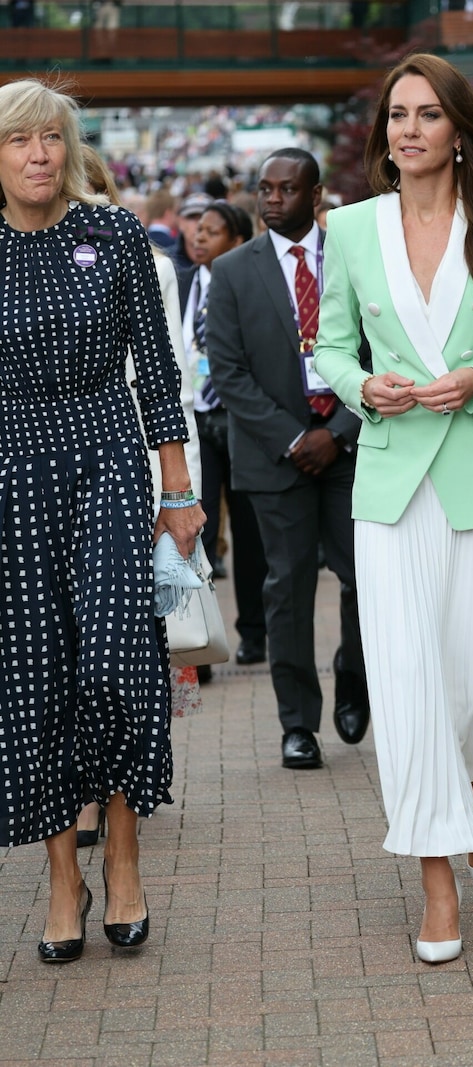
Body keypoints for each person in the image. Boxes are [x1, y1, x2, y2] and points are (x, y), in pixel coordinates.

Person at [313, 54, 473, 964]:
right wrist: (360, 386)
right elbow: (331, 347)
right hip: (389, 488)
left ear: (459, 128)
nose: (408, 129)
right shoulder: (347, 230)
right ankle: (434, 884)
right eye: (396, 115)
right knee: (412, 689)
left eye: (426, 114)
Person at [0, 78, 204, 962]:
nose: (38, 154)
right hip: (12, 469)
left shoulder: (114, 233)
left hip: (107, 455)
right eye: (18, 140)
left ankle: (121, 847)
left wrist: (180, 487)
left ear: (72, 149)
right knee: (36, 671)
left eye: (52, 138)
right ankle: (62, 875)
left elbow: (154, 371)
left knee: (118, 657)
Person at [205, 148, 370, 770]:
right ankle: (297, 723)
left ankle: (355, 682)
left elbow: (383, 352)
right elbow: (228, 371)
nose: (272, 199)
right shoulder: (232, 272)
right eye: (263, 189)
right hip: (276, 459)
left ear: (316, 194)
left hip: (352, 446)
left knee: (364, 579)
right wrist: (294, 438)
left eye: (286, 189)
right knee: (289, 587)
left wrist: (340, 430)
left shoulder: (354, 260)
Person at [178, 200, 268, 677]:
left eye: (212, 232)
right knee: (200, 529)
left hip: (240, 421)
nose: (199, 238)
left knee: (249, 530)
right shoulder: (181, 280)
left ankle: (254, 631)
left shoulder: (247, 281)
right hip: (197, 422)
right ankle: (200, 643)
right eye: (197, 230)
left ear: (235, 241)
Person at [173, 191, 213, 274]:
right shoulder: (168, 260)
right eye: (192, 218)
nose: (199, 223)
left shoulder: (224, 262)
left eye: (205, 218)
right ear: (181, 222)